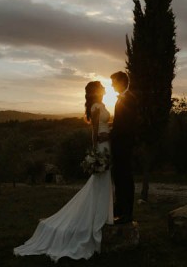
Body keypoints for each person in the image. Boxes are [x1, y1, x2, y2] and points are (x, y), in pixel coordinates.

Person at [13, 81, 113, 262]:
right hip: (102, 146)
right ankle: (97, 217)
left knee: (102, 181)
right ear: (96, 91)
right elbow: (94, 131)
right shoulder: (96, 106)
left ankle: (102, 215)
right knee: (100, 181)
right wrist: (96, 153)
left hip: (106, 145)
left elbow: (103, 127)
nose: (105, 89)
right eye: (102, 87)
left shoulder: (100, 105)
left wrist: (110, 134)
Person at [109, 71, 137, 224]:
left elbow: (125, 126)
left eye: (113, 82)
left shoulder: (129, 99)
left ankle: (126, 213)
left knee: (124, 178)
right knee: (119, 177)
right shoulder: (124, 98)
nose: (112, 85)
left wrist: (109, 134)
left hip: (124, 145)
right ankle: (120, 210)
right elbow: (120, 122)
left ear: (121, 82)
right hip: (121, 144)